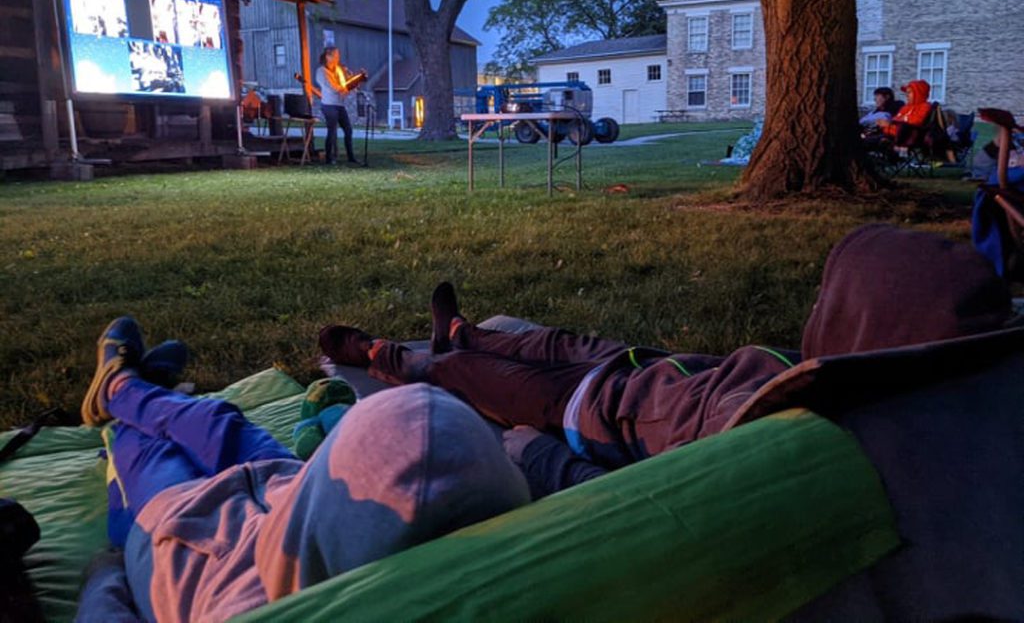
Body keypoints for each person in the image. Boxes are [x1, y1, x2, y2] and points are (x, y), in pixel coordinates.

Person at [320, 224, 1014, 497]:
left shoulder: (781, 446)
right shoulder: (870, 391)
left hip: (587, 414)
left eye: (825, 302)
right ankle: (465, 331)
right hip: (649, 366)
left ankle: (390, 361)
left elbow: (639, 497)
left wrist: (531, 452)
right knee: (543, 339)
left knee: (458, 377)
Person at [75, 317, 528, 622]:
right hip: (287, 484)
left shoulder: (239, 608)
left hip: (171, 524)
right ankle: (137, 387)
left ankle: (120, 391)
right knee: (218, 419)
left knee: (144, 447)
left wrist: (105, 574)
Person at [314, 47, 362, 165]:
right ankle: (329, 158)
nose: (337, 58)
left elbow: (343, 86)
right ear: (328, 57)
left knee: (348, 129)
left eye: (338, 55)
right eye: (335, 55)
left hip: (340, 105)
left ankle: (351, 157)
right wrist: (345, 87)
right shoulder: (321, 72)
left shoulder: (339, 70)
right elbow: (332, 87)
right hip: (329, 105)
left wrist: (356, 80)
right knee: (332, 131)